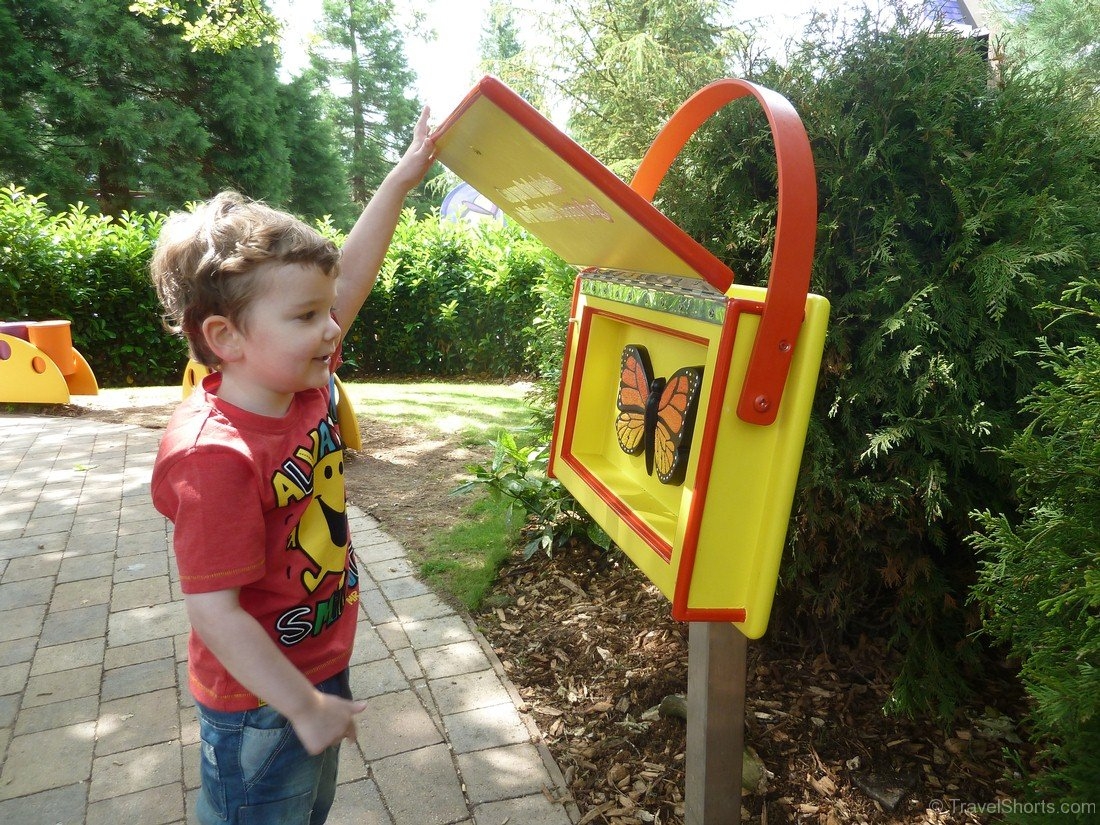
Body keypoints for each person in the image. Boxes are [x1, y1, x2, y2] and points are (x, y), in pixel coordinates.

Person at [148, 108, 435, 824]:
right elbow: (214, 612)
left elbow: (351, 278)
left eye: (325, 311)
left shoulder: (297, 381)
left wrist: (402, 176)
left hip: (316, 661)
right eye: (309, 316)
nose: (333, 326)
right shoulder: (214, 453)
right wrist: (301, 705)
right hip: (261, 703)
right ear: (226, 337)